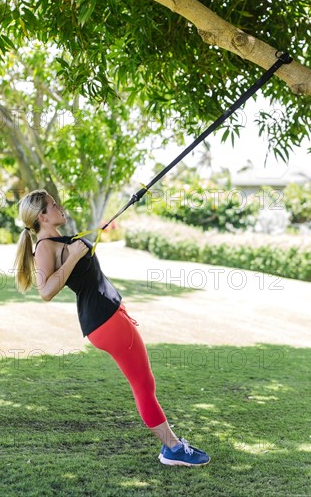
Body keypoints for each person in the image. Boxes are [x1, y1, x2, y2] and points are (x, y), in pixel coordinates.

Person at [14, 189, 210, 467]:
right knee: (143, 385)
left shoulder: (57, 239)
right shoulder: (45, 246)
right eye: (53, 205)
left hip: (108, 316)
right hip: (105, 320)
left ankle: (173, 446)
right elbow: (45, 291)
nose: (60, 207)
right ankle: (173, 449)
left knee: (145, 383)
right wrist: (72, 257)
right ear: (42, 216)